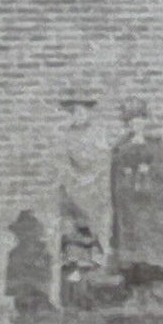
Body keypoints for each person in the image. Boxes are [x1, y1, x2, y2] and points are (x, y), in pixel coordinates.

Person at [110, 98, 163, 300]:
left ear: (145, 120)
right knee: (132, 245)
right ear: (126, 124)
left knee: (153, 244)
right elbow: (115, 177)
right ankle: (135, 290)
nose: (135, 124)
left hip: (152, 204)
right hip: (130, 204)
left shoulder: (158, 144)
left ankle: (155, 288)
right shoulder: (121, 146)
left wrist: (151, 171)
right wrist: (128, 176)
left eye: (139, 119)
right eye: (131, 121)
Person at [58, 94, 109, 304]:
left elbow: (103, 161)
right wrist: (73, 178)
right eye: (75, 111)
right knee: (72, 246)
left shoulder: (97, 135)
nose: (79, 115)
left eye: (83, 111)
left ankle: (88, 295)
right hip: (72, 196)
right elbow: (62, 164)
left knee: (91, 246)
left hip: (92, 198)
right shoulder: (66, 136)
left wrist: (92, 176)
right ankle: (70, 296)